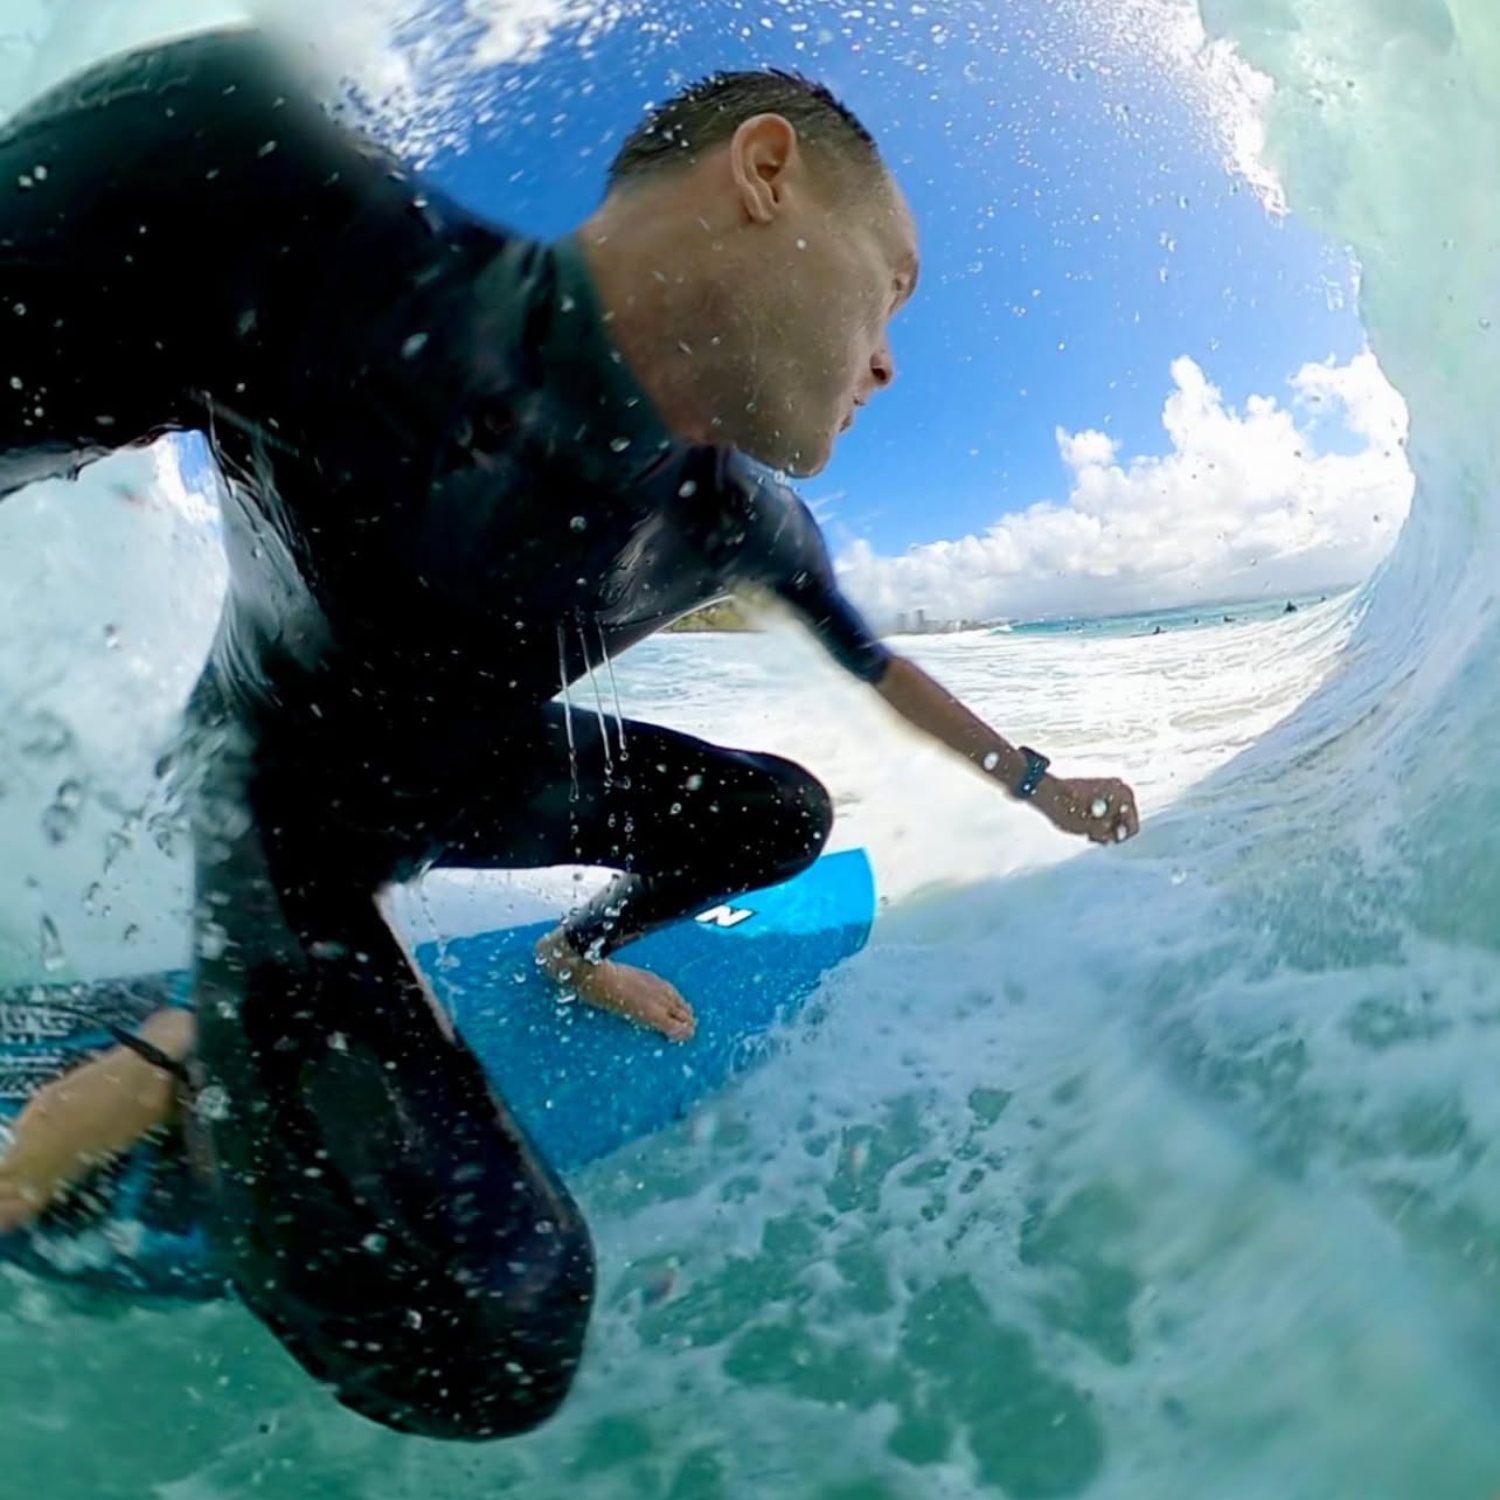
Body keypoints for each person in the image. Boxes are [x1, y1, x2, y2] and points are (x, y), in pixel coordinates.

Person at [0, 27, 1140, 1440]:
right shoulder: (304, 229)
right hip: (285, 804)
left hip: (477, 772)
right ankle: (184, 1051)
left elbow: (879, 668)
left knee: (780, 815)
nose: (891, 363)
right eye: (893, 285)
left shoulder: (740, 517)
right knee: (486, 1323)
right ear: (766, 172)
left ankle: (574, 951)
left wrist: (1039, 783)